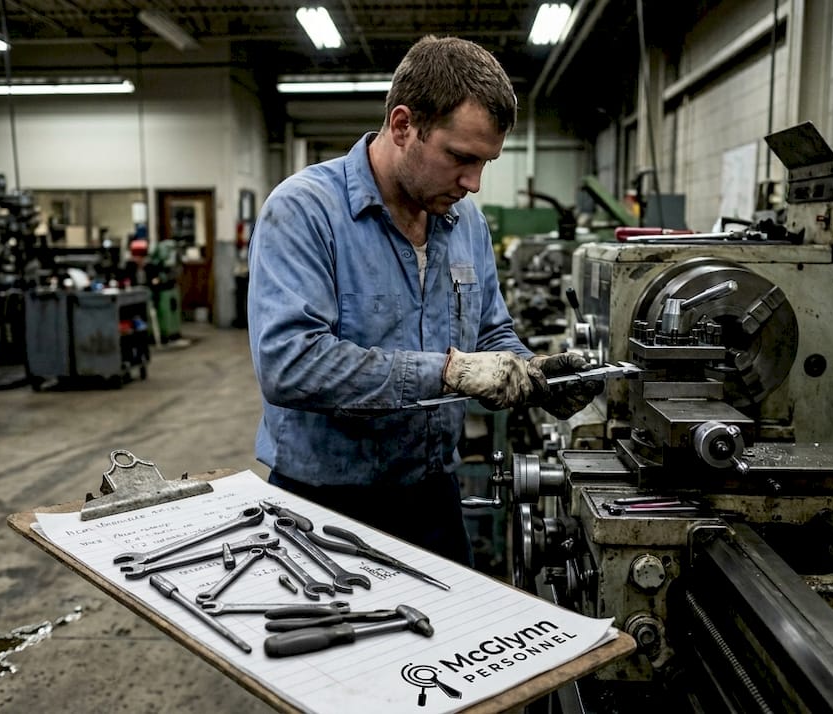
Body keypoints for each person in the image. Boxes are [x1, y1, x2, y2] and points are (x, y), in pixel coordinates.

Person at [247, 35, 600, 565]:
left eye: (485, 163)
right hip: (322, 505)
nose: (474, 183)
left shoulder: (465, 221)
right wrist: (448, 374)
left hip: (434, 497)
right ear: (402, 125)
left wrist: (534, 373)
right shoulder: (304, 211)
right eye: (460, 158)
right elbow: (289, 364)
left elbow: (489, 331)